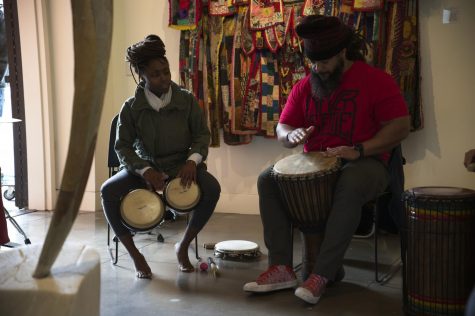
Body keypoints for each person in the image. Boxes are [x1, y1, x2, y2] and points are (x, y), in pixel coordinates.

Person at [243, 15, 410, 304]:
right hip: (316, 162)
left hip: (365, 162)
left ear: (343, 52)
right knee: (267, 179)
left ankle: (322, 274)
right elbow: (283, 125)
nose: (317, 69)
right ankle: (281, 267)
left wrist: (358, 149)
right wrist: (290, 136)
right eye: (313, 63)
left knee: (351, 181)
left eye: (324, 62)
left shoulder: (376, 81)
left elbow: (400, 126)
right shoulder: (306, 85)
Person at [101, 35, 220, 279]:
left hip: (181, 166)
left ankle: (183, 246)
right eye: (155, 74)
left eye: (166, 71)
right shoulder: (131, 107)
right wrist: (145, 171)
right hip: (144, 168)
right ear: (141, 75)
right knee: (108, 191)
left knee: (212, 188)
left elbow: (201, 135)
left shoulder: (186, 100)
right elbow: (122, 147)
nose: (164, 78)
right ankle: (136, 256)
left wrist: (191, 161)